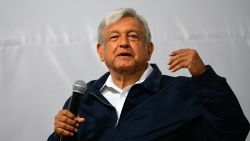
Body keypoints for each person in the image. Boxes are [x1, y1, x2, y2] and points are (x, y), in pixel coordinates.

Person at [48, 8, 250, 141]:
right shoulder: (83, 98)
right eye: (114, 37)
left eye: (133, 36)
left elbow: (233, 132)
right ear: (101, 51)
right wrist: (59, 135)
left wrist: (205, 78)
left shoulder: (182, 91)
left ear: (149, 50)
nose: (124, 43)